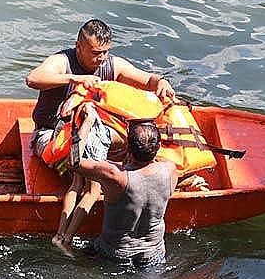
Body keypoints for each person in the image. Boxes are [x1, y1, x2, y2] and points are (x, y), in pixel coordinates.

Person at [25, 18, 176, 253]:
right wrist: (75, 78)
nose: (101, 58)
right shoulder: (62, 61)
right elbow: (32, 79)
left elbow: (146, 79)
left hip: (91, 132)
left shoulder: (112, 65)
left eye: (105, 52)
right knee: (86, 181)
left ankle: (121, 183)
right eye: (96, 53)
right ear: (79, 47)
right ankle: (75, 226)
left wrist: (161, 82)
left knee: (141, 138)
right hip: (51, 135)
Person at [68, 118, 178, 266]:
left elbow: (73, 161)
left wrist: (87, 123)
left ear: (128, 148)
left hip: (114, 253)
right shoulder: (170, 170)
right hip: (153, 255)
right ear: (158, 147)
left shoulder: (115, 175)